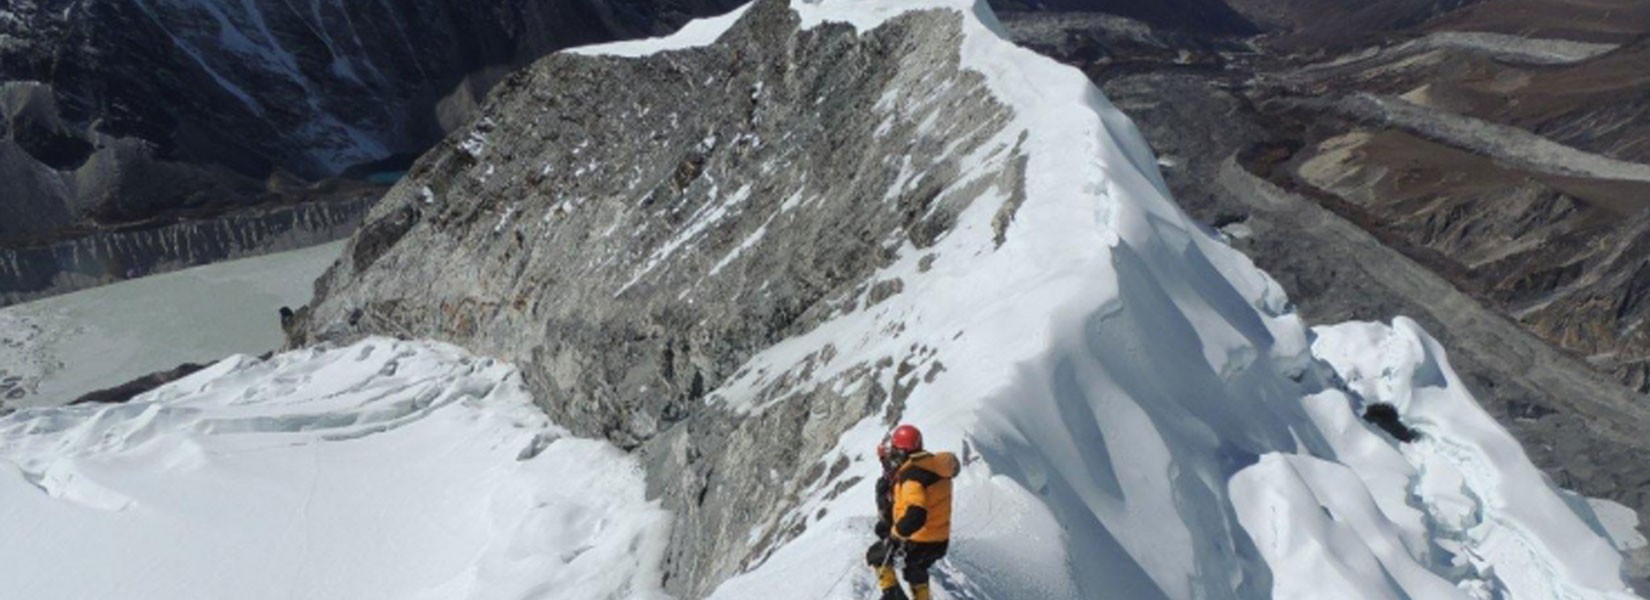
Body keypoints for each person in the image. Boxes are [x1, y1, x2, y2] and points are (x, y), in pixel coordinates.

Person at [866, 424, 959, 600]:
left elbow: (916, 514)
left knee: (876, 555)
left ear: (900, 453)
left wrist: (895, 536)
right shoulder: (933, 466)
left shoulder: (912, 477)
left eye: (894, 451)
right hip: (938, 539)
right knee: (915, 568)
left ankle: (892, 595)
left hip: (919, 539)